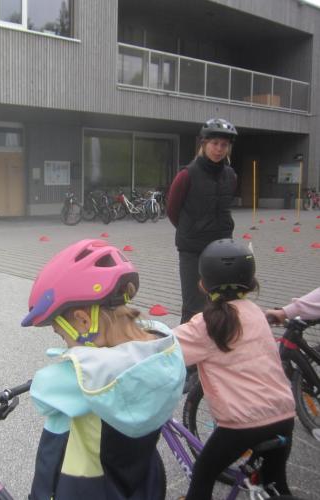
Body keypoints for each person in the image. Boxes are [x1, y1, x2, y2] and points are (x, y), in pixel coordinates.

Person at [21, 239, 185, 500]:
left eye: (63, 335)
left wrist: (72, 359)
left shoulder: (84, 378)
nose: (66, 344)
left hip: (88, 488)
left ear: (83, 321)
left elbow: (42, 393)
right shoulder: (165, 351)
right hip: (143, 483)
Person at [173, 239, 296, 500]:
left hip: (241, 425)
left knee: (203, 476)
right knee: (275, 485)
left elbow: (165, 349)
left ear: (202, 284)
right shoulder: (256, 312)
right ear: (251, 282)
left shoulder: (204, 325)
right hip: (284, 416)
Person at [167, 118, 238, 324]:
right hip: (193, 250)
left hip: (222, 249)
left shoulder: (230, 175)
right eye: (214, 143)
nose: (219, 149)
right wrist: (191, 230)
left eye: (224, 145)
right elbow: (172, 210)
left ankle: (217, 342)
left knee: (221, 304)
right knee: (194, 307)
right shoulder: (187, 175)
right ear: (204, 144)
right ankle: (186, 344)